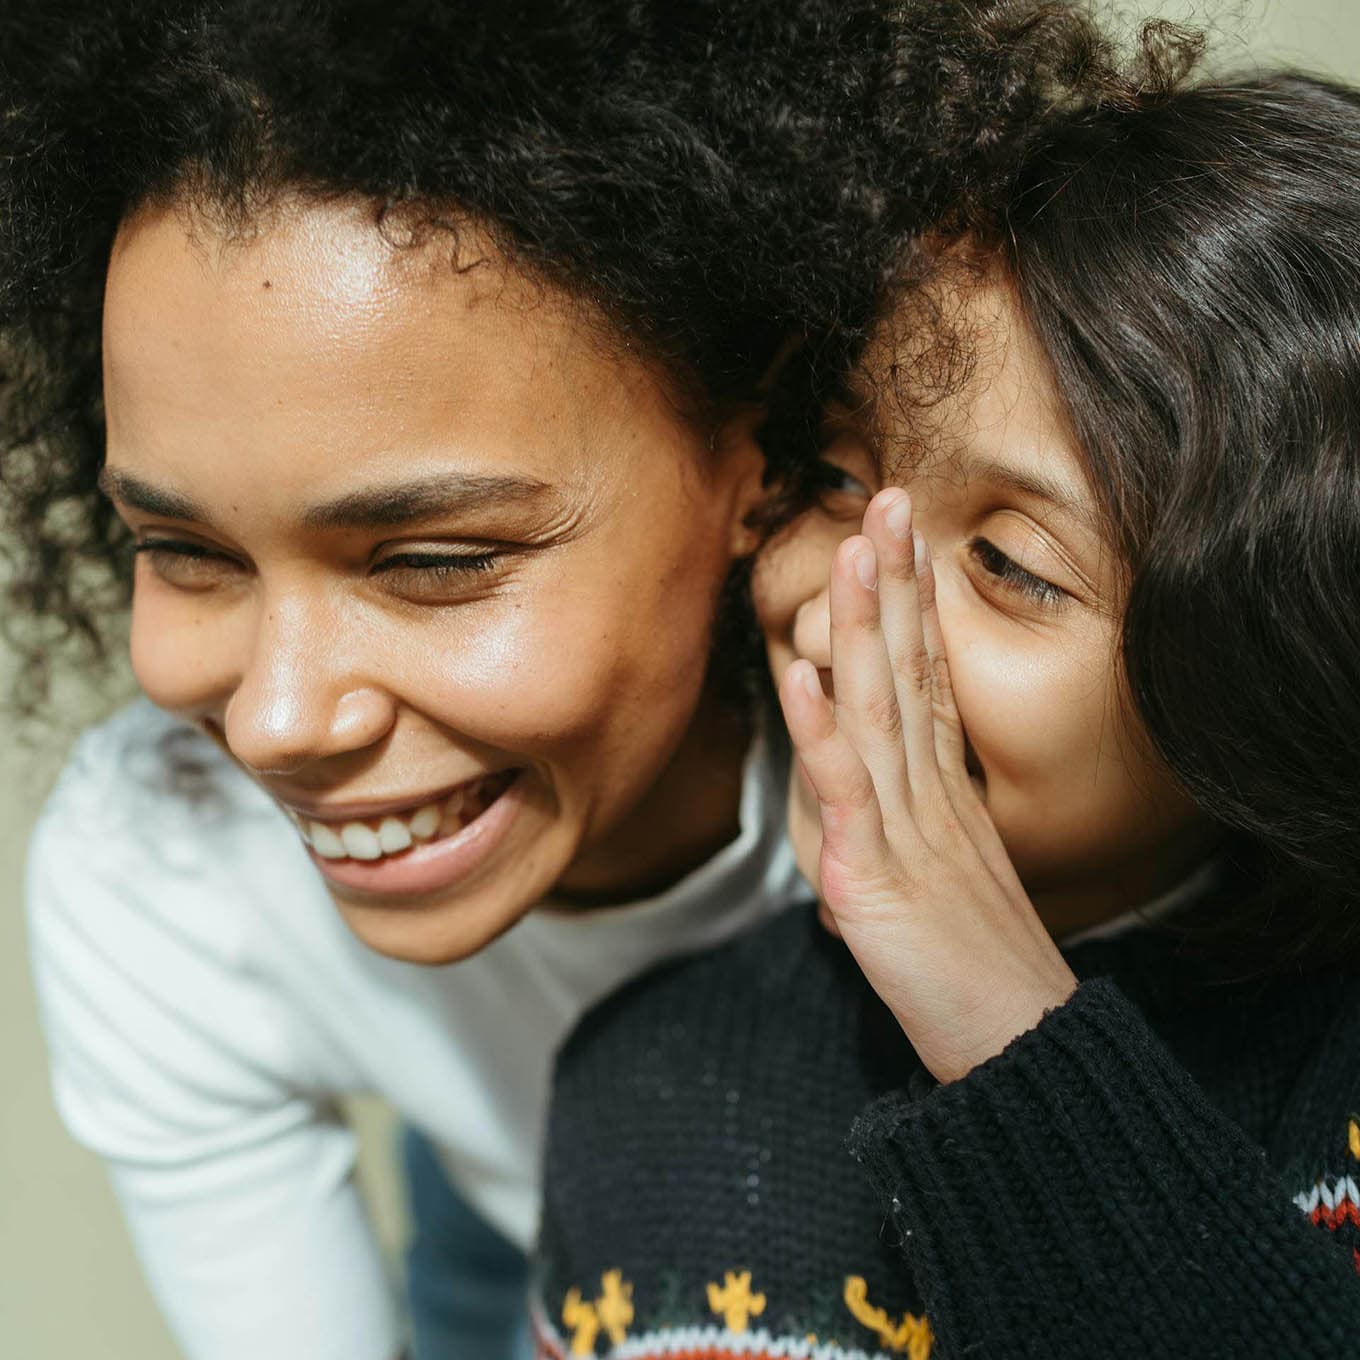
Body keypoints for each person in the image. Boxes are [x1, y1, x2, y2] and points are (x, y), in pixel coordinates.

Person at [1, 2, 1060, 1357]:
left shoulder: (1016, 771)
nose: (272, 724)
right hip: (520, 1243)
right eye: (184, 550)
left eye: (432, 561)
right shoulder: (164, 866)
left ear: (763, 464)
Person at [534, 25, 1360, 1360]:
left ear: (1270, 658)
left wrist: (1011, 1039)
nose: (845, 599)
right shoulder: (647, 1089)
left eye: (1007, 562)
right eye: (843, 477)